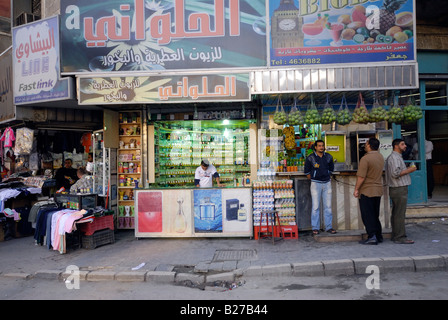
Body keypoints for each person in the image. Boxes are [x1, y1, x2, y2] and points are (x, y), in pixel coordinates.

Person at [353, 138, 385, 245]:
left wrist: (356, 189)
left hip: (367, 190)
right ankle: (379, 235)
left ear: (369, 145)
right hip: (378, 189)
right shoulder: (380, 157)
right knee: (375, 214)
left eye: (366, 144)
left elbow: (361, 177)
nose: (365, 146)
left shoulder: (365, 159)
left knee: (368, 215)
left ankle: (372, 236)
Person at [386, 138, 417, 244]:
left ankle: (396, 235)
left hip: (397, 188)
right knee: (399, 213)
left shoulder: (397, 157)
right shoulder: (394, 157)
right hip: (398, 188)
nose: (405, 146)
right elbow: (395, 174)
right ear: (396, 146)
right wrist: (410, 169)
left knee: (396, 213)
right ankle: (400, 237)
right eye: (402, 144)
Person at [304, 140, 336, 235]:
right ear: (315, 147)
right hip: (315, 184)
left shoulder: (328, 157)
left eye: (322, 146)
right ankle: (315, 228)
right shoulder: (310, 158)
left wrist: (326, 176)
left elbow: (331, 169)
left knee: (328, 207)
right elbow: (307, 172)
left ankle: (329, 227)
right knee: (315, 207)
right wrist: (314, 178)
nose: (321, 147)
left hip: (327, 183)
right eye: (319, 146)